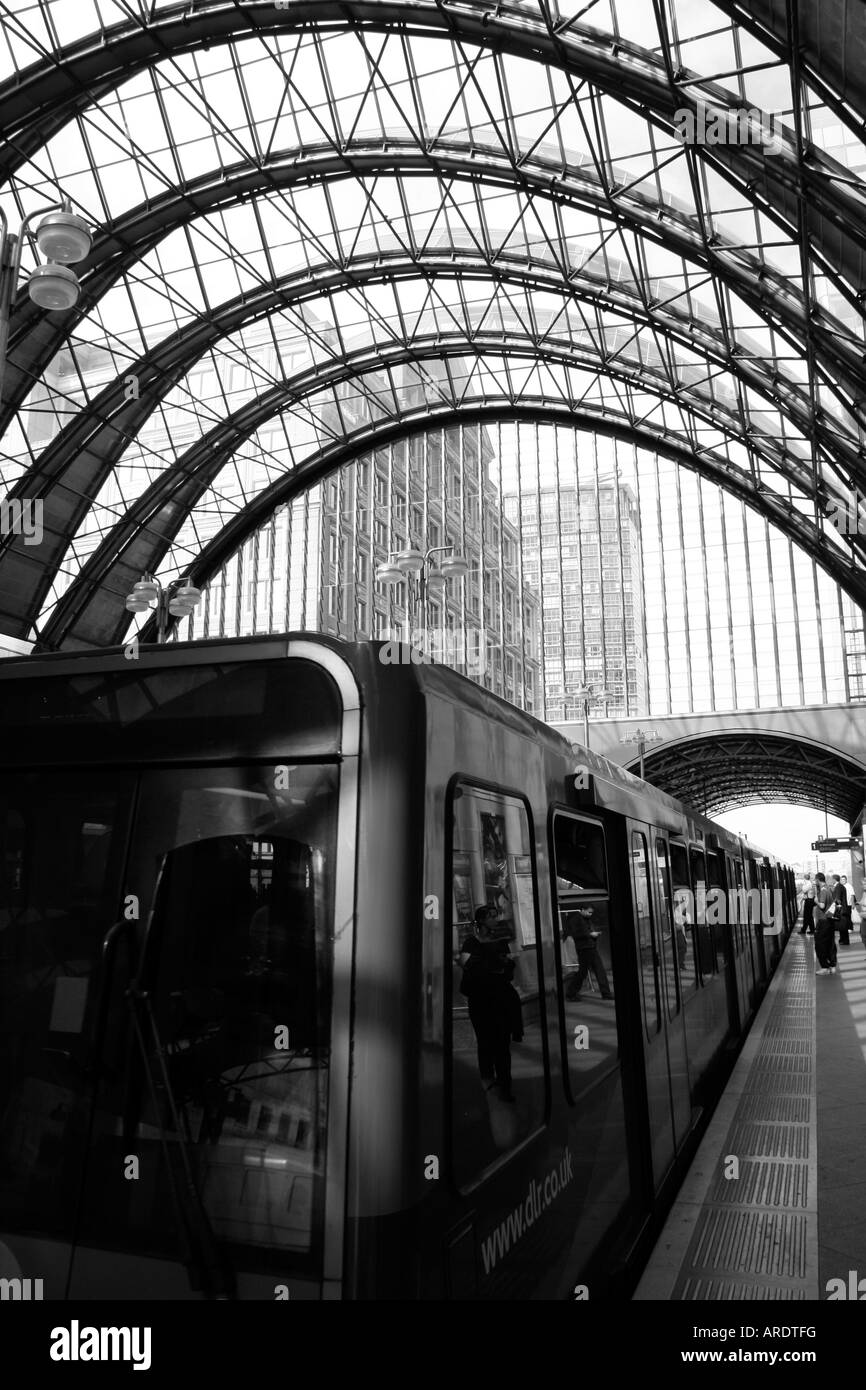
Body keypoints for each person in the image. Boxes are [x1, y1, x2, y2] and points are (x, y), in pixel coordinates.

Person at [460, 905, 523, 1102]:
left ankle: (504, 1086)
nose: (495, 920)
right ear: (482, 921)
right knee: (486, 1042)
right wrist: (496, 964)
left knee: (502, 1044)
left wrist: (502, 964)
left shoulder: (500, 942)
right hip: (481, 999)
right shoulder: (471, 942)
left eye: (496, 916)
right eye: (491, 917)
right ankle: (488, 1080)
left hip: (499, 997)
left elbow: (507, 971)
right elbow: (468, 966)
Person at [561, 905, 613, 1000]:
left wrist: (593, 934)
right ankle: (571, 993)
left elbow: (585, 931)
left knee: (599, 970)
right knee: (583, 972)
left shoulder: (585, 919)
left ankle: (606, 993)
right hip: (584, 949)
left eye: (591, 912)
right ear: (582, 910)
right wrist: (590, 934)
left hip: (590, 947)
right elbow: (576, 933)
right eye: (589, 912)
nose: (590, 914)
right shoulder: (575, 919)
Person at [813, 873, 837, 974]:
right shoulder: (829, 889)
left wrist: (816, 901)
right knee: (830, 943)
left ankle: (824, 968)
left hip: (823, 921)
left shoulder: (823, 891)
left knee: (820, 944)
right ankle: (832, 966)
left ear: (818, 880)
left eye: (815, 880)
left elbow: (822, 906)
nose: (815, 882)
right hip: (830, 920)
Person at [832, 875, 851, 946]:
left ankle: (844, 940)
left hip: (841, 909)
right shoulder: (840, 886)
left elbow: (838, 899)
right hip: (843, 909)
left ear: (834, 879)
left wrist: (834, 905)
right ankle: (843, 940)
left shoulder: (838, 887)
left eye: (832, 879)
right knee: (843, 925)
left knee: (842, 925)